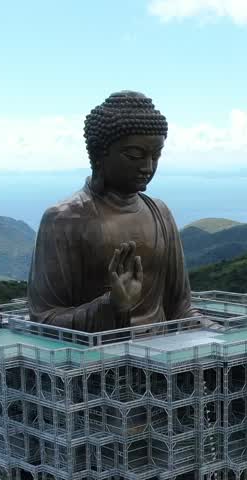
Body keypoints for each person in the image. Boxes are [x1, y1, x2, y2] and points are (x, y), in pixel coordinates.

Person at [27, 91, 198, 331]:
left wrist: (219, 334)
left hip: (163, 354)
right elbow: (43, 320)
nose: (147, 167)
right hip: (99, 361)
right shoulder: (64, 219)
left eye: (155, 156)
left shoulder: (160, 213)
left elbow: (181, 308)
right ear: (100, 154)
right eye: (134, 155)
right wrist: (112, 305)